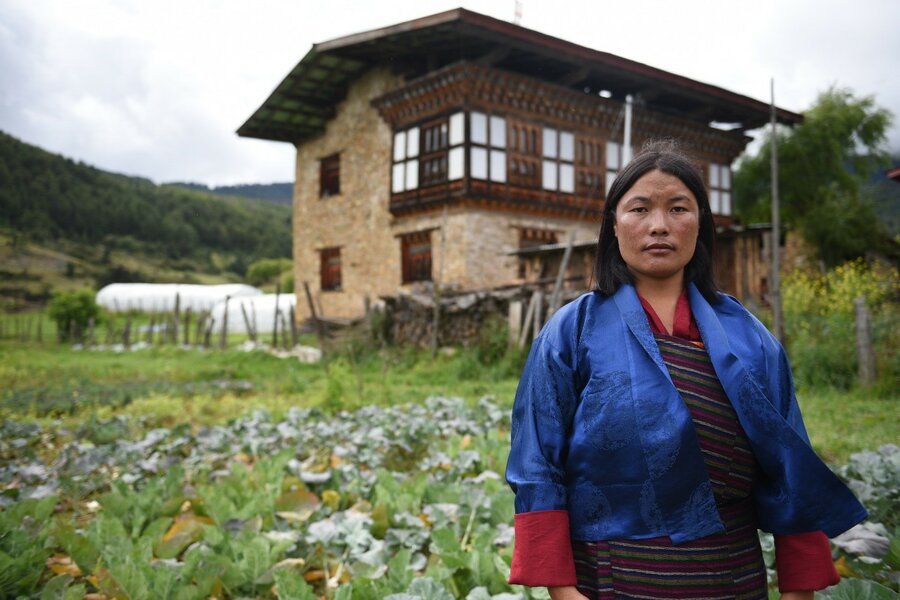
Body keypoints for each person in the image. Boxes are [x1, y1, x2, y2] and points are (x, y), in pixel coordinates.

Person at [505, 140, 867, 600]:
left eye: (678, 208)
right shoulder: (572, 331)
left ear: (701, 224)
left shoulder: (749, 337)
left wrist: (800, 586)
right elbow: (537, 460)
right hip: (610, 576)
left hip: (732, 573)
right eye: (639, 209)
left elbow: (789, 459)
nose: (659, 225)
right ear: (613, 225)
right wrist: (562, 589)